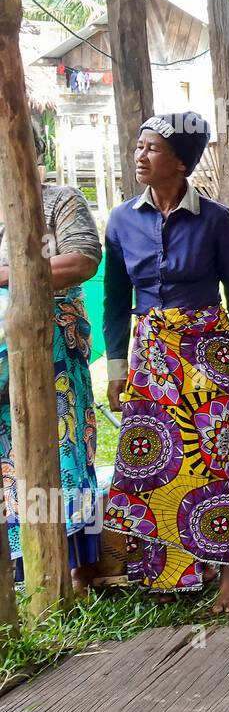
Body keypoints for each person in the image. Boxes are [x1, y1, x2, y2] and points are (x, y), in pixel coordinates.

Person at [102, 113, 229, 613]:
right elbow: (113, 300)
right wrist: (117, 368)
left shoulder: (215, 218)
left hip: (207, 350)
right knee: (154, 462)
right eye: (138, 147)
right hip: (150, 354)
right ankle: (173, 568)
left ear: (181, 161)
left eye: (151, 148)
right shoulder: (122, 220)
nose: (140, 156)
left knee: (209, 459)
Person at [0, 120, 103, 590]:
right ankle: (17, 568)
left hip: (51, 347)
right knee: (8, 457)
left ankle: (72, 565)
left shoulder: (59, 201)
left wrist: (10, 276)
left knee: (58, 448)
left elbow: (82, 260)